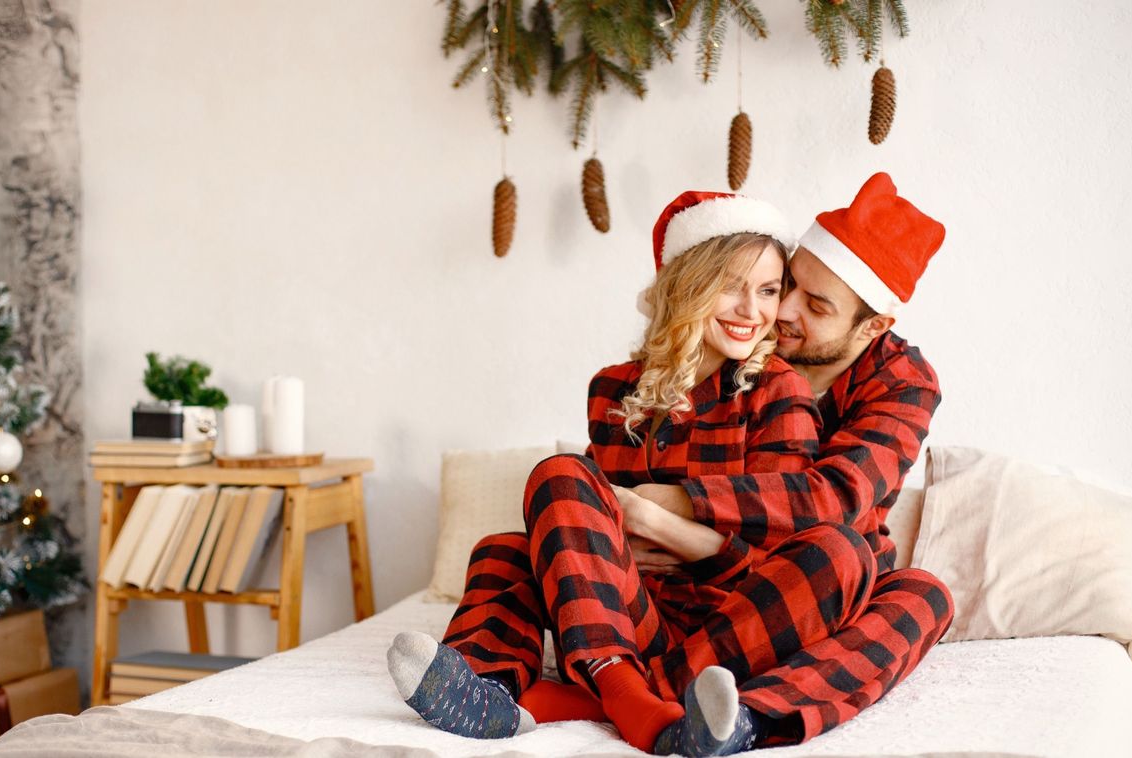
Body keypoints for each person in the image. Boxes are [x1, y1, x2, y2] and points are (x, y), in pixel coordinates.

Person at [387, 191, 881, 753]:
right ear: (685, 284)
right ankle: (489, 690)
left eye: (768, 290)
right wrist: (624, 532)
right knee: (530, 514)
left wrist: (654, 518)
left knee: (840, 555)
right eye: (731, 284)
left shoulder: (779, 391)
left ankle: (603, 700)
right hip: (628, 612)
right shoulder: (612, 390)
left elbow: (777, 552)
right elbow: (588, 525)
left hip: (735, 624)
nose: (752, 310)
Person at [626, 172, 955, 756]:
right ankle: (662, 694)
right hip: (699, 581)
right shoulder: (744, 337)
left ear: (874, 326)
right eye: (790, 286)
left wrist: (677, 504)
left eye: (818, 305)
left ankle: (741, 718)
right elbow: (641, 433)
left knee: (924, 596)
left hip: (815, 584)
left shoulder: (902, 383)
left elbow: (838, 501)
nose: (783, 312)